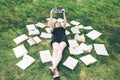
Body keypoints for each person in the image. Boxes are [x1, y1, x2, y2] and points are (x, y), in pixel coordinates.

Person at [48, 9, 69, 78]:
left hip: (63, 39)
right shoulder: (53, 28)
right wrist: (51, 13)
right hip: (55, 39)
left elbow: (65, 22)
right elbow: (51, 22)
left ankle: (53, 67)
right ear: (54, 25)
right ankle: (55, 70)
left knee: (60, 50)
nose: (59, 23)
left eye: (59, 23)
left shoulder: (63, 28)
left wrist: (64, 13)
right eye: (57, 23)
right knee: (55, 51)